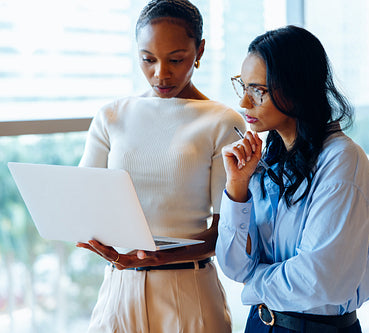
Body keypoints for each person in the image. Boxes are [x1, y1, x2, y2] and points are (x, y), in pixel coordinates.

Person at [76, 0, 245, 332]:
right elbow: (82, 203)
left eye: (176, 60)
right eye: (148, 59)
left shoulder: (222, 121)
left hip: (188, 290)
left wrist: (160, 256)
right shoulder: (112, 116)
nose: (161, 74)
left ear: (200, 50)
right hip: (118, 289)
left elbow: (229, 233)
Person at [215, 25, 369, 333]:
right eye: (243, 87)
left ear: (297, 87)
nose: (244, 103)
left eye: (259, 90)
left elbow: (319, 280)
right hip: (260, 322)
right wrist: (237, 188)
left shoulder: (342, 161)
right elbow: (234, 265)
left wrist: (254, 283)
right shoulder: (265, 159)